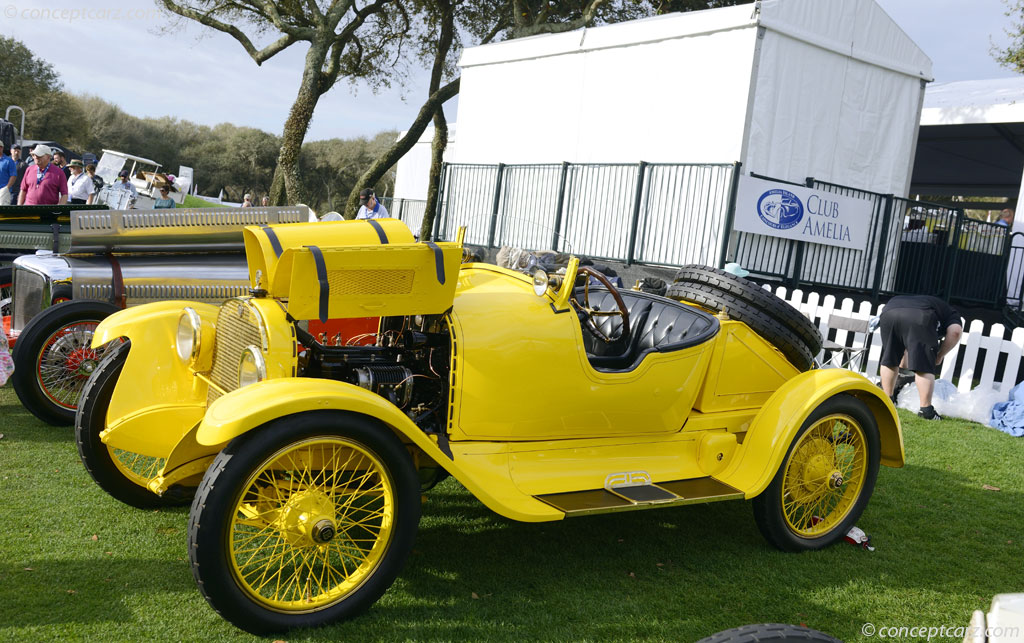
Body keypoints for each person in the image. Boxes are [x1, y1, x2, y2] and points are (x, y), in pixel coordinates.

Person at [878, 295, 964, 420]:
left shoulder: (930, 302)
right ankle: (926, 410)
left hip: (889, 311)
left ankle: (887, 401)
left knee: (890, 359)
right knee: (924, 366)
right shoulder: (952, 314)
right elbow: (955, 332)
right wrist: (939, 355)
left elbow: (906, 348)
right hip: (920, 316)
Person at [0, 141, 15, 206]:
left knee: (2, 213)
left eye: (0, 147)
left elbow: (13, 176)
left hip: (4, 191)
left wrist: (7, 188)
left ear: (2, 148)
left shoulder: (9, 160)